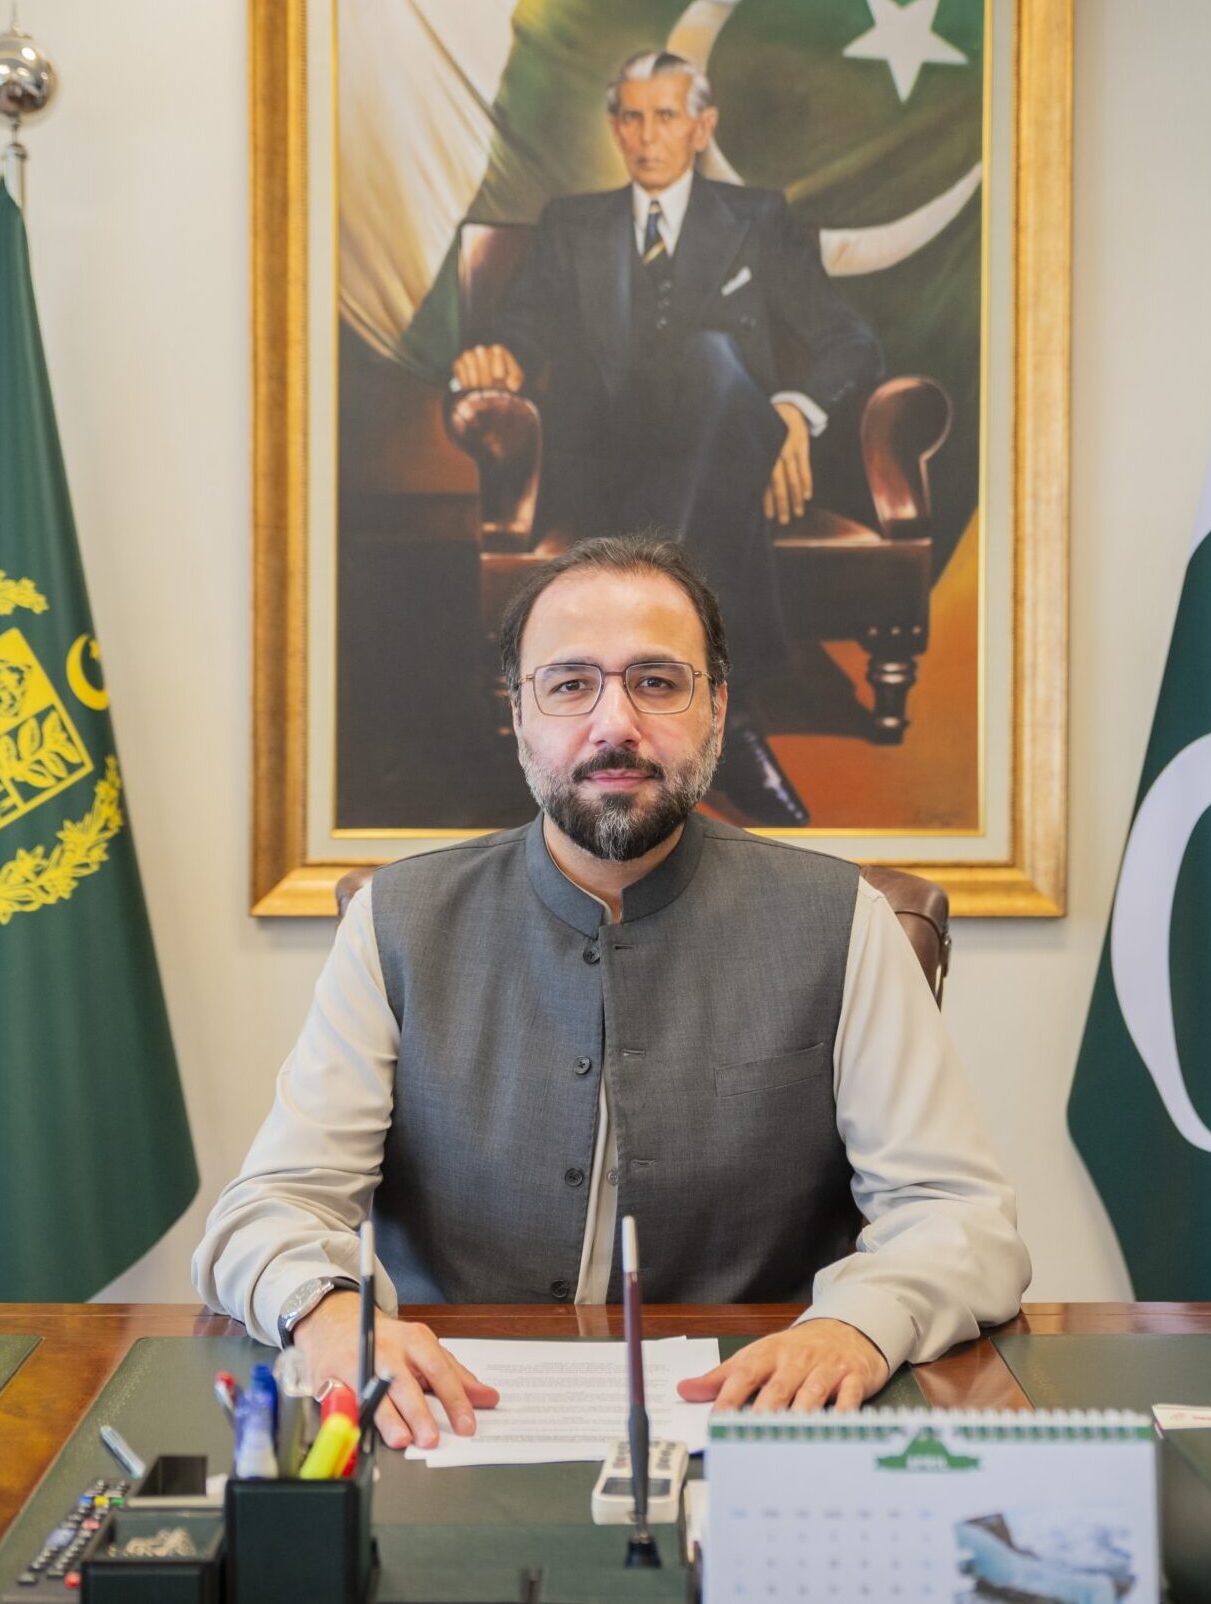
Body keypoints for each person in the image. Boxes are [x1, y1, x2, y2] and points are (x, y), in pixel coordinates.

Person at [193, 535, 1029, 1451]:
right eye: (569, 684)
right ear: (519, 713)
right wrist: (325, 1314)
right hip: (443, 1422)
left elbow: (957, 1217)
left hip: (749, 1420)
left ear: (716, 708)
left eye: (657, 682)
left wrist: (854, 1328)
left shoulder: (846, 921)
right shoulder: (395, 922)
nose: (614, 724)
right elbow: (271, 1207)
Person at [451, 50, 885, 828]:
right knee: (722, 386)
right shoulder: (570, 225)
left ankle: (664, 667)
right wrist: (499, 358)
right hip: (602, 461)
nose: (646, 135)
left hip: (725, 442)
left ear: (701, 126)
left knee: (715, 360)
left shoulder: (757, 220)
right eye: (630, 117)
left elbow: (849, 342)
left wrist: (792, 411)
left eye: (665, 116)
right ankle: (727, 716)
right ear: (614, 127)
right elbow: (521, 329)